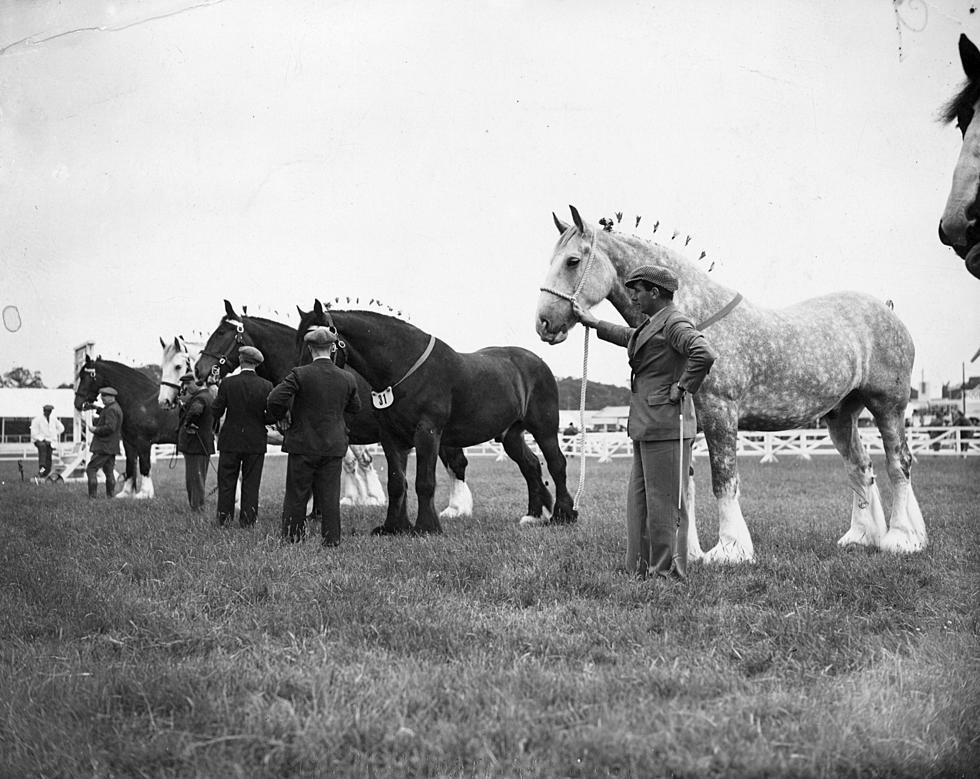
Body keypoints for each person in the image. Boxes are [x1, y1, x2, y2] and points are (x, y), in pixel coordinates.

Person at [571, 264, 716, 580]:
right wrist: (594, 322)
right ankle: (639, 566)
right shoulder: (655, 323)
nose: (632, 296)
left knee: (664, 503)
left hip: (666, 423)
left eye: (637, 290)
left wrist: (682, 386)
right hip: (648, 423)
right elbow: (632, 337)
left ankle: (666, 571)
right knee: (639, 500)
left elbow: (703, 353)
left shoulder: (676, 322)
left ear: (655, 292)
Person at [266, 325, 362, 545]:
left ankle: (293, 537)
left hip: (302, 444)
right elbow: (356, 408)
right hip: (333, 445)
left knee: (297, 494)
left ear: (310, 348)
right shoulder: (347, 378)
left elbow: (274, 399)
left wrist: (282, 416)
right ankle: (331, 540)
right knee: (330, 496)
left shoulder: (299, 374)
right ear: (331, 348)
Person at [211, 345, 274, 527]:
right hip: (255, 441)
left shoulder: (227, 383)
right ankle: (248, 521)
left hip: (230, 440)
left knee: (226, 482)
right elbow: (269, 417)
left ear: (240, 360)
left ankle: (224, 519)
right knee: (251, 483)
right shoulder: (266, 385)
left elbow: (216, 411)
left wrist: (217, 393)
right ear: (256, 364)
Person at [176, 372, 215, 512]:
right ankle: (196, 505)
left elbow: (195, 411)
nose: (185, 387)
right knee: (196, 477)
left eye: (187, 384)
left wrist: (188, 423)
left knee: (194, 478)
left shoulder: (200, 399)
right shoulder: (206, 396)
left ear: (194, 383)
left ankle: (197, 508)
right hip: (201, 445)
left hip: (196, 445)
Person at [85, 387, 123, 498]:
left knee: (91, 468)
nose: (102, 398)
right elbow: (105, 413)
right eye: (102, 396)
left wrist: (95, 429)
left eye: (104, 396)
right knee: (109, 471)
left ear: (112, 397)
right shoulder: (114, 407)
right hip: (111, 446)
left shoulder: (111, 409)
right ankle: (110, 496)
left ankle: (92, 497)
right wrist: (95, 407)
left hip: (103, 446)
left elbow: (110, 427)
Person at [31, 403, 65, 480]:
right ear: (44, 411)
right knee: (43, 453)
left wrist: (54, 435)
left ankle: (45, 473)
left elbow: (61, 428)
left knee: (48, 458)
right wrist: (42, 439)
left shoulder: (53, 419)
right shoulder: (37, 419)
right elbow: (33, 433)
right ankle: (41, 471)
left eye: (50, 411)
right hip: (40, 440)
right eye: (47, 411)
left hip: (50, 442)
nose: (48, 412)